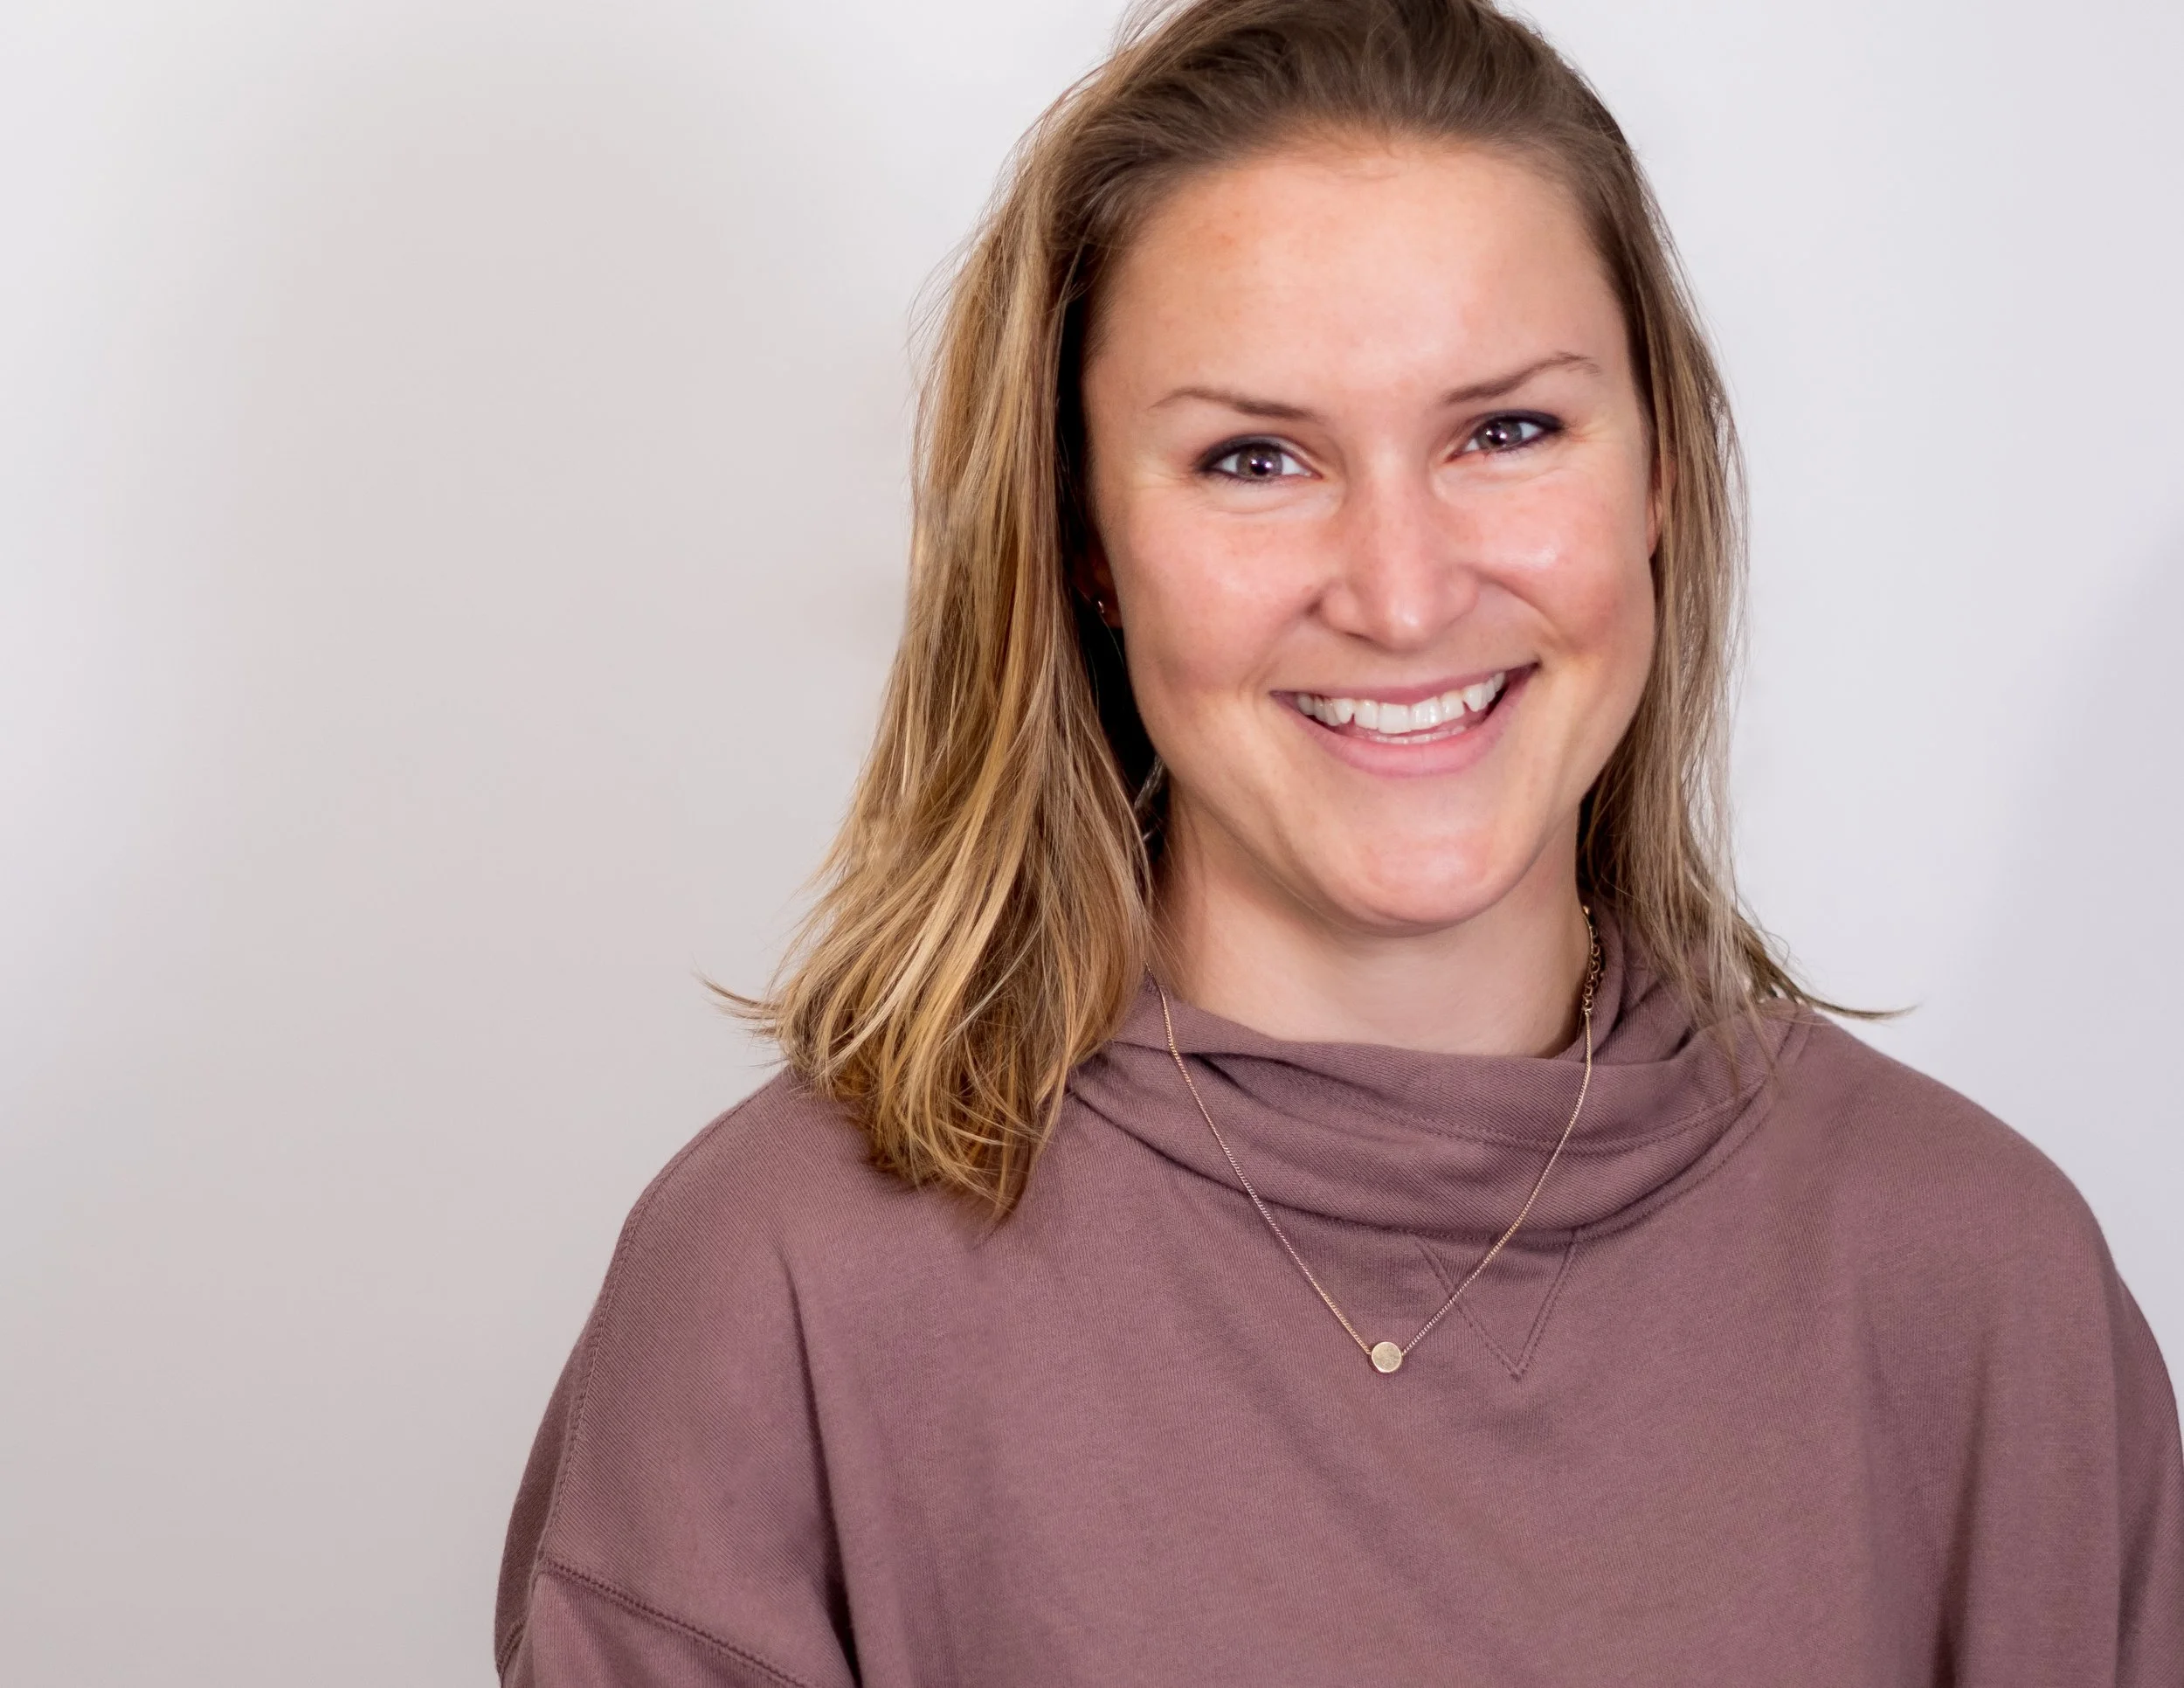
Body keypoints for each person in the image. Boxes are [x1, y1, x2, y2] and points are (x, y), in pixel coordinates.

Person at [494, 0, 2184, 1680]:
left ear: (1658, 472)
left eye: (1506, 432)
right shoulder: (786, 1290)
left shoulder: (1981, 1283)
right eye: (1255, 458)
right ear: (1085, 539)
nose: (1401, 592)